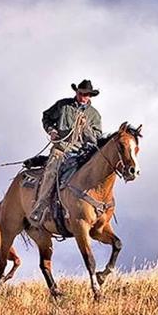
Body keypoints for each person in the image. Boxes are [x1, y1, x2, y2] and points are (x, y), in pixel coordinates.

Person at [28, 79, 103, 227]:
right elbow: (46, 116)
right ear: (77, 92)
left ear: (90, 96)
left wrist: (86, 128)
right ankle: (40, 207)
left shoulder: (94, 115)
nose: (83, 97)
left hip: (81, 152)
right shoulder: (63, 105)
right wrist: (51, 130)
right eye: (81, 93)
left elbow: (96, 139)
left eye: (87, 95)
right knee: (51, 172)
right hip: (61, 149)